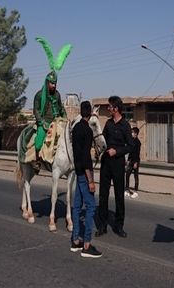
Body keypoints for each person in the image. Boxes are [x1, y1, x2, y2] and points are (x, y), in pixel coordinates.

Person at [96, 96, 133, 238]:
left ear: (116, 108)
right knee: (103, 196)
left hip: (118, 164)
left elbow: (130, 146)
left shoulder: (125, 125)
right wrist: (99, 150)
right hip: (106, 163)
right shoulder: (108, 124)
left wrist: (117, 151)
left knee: (119, 196)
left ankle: (119, 226)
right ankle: (102, 226)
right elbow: (103, 140)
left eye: (110, 107)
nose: (109, 109)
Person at [70, 101, 102, 258]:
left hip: (77, 171)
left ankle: (75, 240)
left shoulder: (75, 129)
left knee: (76, 207)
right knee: (90, 207)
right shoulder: (88, 131)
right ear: (90, 114)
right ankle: (87, 245)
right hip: (84, 173)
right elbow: (85, 158)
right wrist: (91, 180)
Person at [32, 71, 66, 160]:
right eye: (52, 83)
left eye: (55, 83)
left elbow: (61, 108)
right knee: (39, 143)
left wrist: (65, 119)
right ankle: (37, 161)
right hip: (44, 124)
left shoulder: (57, 94)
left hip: (57, 123)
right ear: (47, 83)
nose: (54, 85)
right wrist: (42, 122)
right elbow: (36, 110)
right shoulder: (39, 95)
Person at [124, 127, 141, 199]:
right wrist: (128, 160)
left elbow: (137, 153)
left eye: (133, 132)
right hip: (131, 161)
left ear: (136, 134)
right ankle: (127, 189)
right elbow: (130, 152)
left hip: (135, 161)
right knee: (127, 174)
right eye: (131, 132)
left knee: (135, 176)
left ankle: (135, 191)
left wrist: (136, 163)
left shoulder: (138, 142)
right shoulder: (131, 141)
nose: (132, 133)